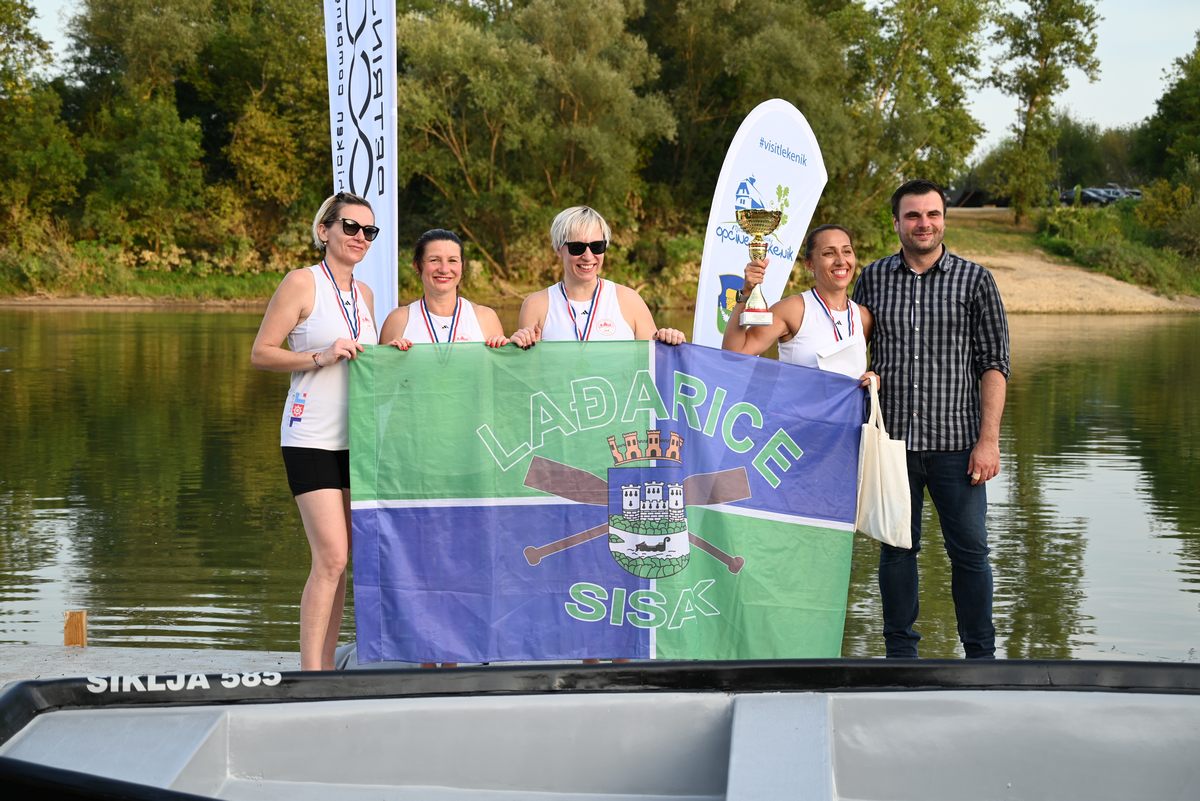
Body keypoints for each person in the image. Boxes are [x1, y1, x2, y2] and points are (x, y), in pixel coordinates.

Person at [852, 178, 1010, 660]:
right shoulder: (873, 279)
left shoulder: (976, 280)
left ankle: (981, 655)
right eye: (913, 215)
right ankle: (900, 655)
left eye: (933, 214)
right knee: (897, 551)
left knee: (970, 554)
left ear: (944, 219)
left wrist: (989, 440)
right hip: (893, 446)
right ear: (896, 222)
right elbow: (845, 349)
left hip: (958, 445)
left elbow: (994, 364)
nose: (924, 224)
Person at [250, 192, 381, 671]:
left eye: (370, 232)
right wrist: (319, 356)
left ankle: (325, 666)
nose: (360, 238)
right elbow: (261, 353)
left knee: (342, 561)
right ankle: (310, 675)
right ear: (324, 230)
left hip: (358, 442)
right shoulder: (301, 283)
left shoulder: (364, 295)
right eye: (350, 227)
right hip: (310, 438)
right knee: (330, 557)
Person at [722, 223, 876, 386]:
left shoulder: (863, 317)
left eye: (846, 251)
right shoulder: (793, 310)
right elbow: (734, 356)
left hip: (848, 412)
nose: (841, 260)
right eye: (829, 253)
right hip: (794, 411)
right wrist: (746, 293)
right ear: (809, 264)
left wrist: (871, 380)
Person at [510, 206, 686, 347]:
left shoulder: (629, 300)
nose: (588, 256)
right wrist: (520, 345)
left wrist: (670, 340)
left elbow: (655, 364)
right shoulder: (536, 305)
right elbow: (529, 375)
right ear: (558, 249)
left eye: (597, 246)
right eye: (577, 247)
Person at [379, 229, 509, 349]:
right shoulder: (398, 320)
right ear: (417, 266)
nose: (444, 269)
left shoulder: (485, 318)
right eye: (434, 260)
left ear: (462, 267)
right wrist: (392, 356)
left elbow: (498, 370)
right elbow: (382, 371)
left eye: (452, 260)